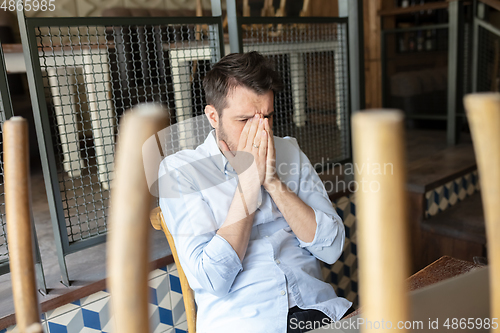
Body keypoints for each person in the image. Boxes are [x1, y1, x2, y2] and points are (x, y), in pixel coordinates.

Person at [158, 52, 351, 333]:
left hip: (318, 311)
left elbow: (331, 248)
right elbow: (212, 280)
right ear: (213, 116)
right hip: (244, 322)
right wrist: (249, 183)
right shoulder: (181, 172)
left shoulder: (289, 151)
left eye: (267, 117)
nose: (261, 132)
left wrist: (272, 181)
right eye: (244, 120)